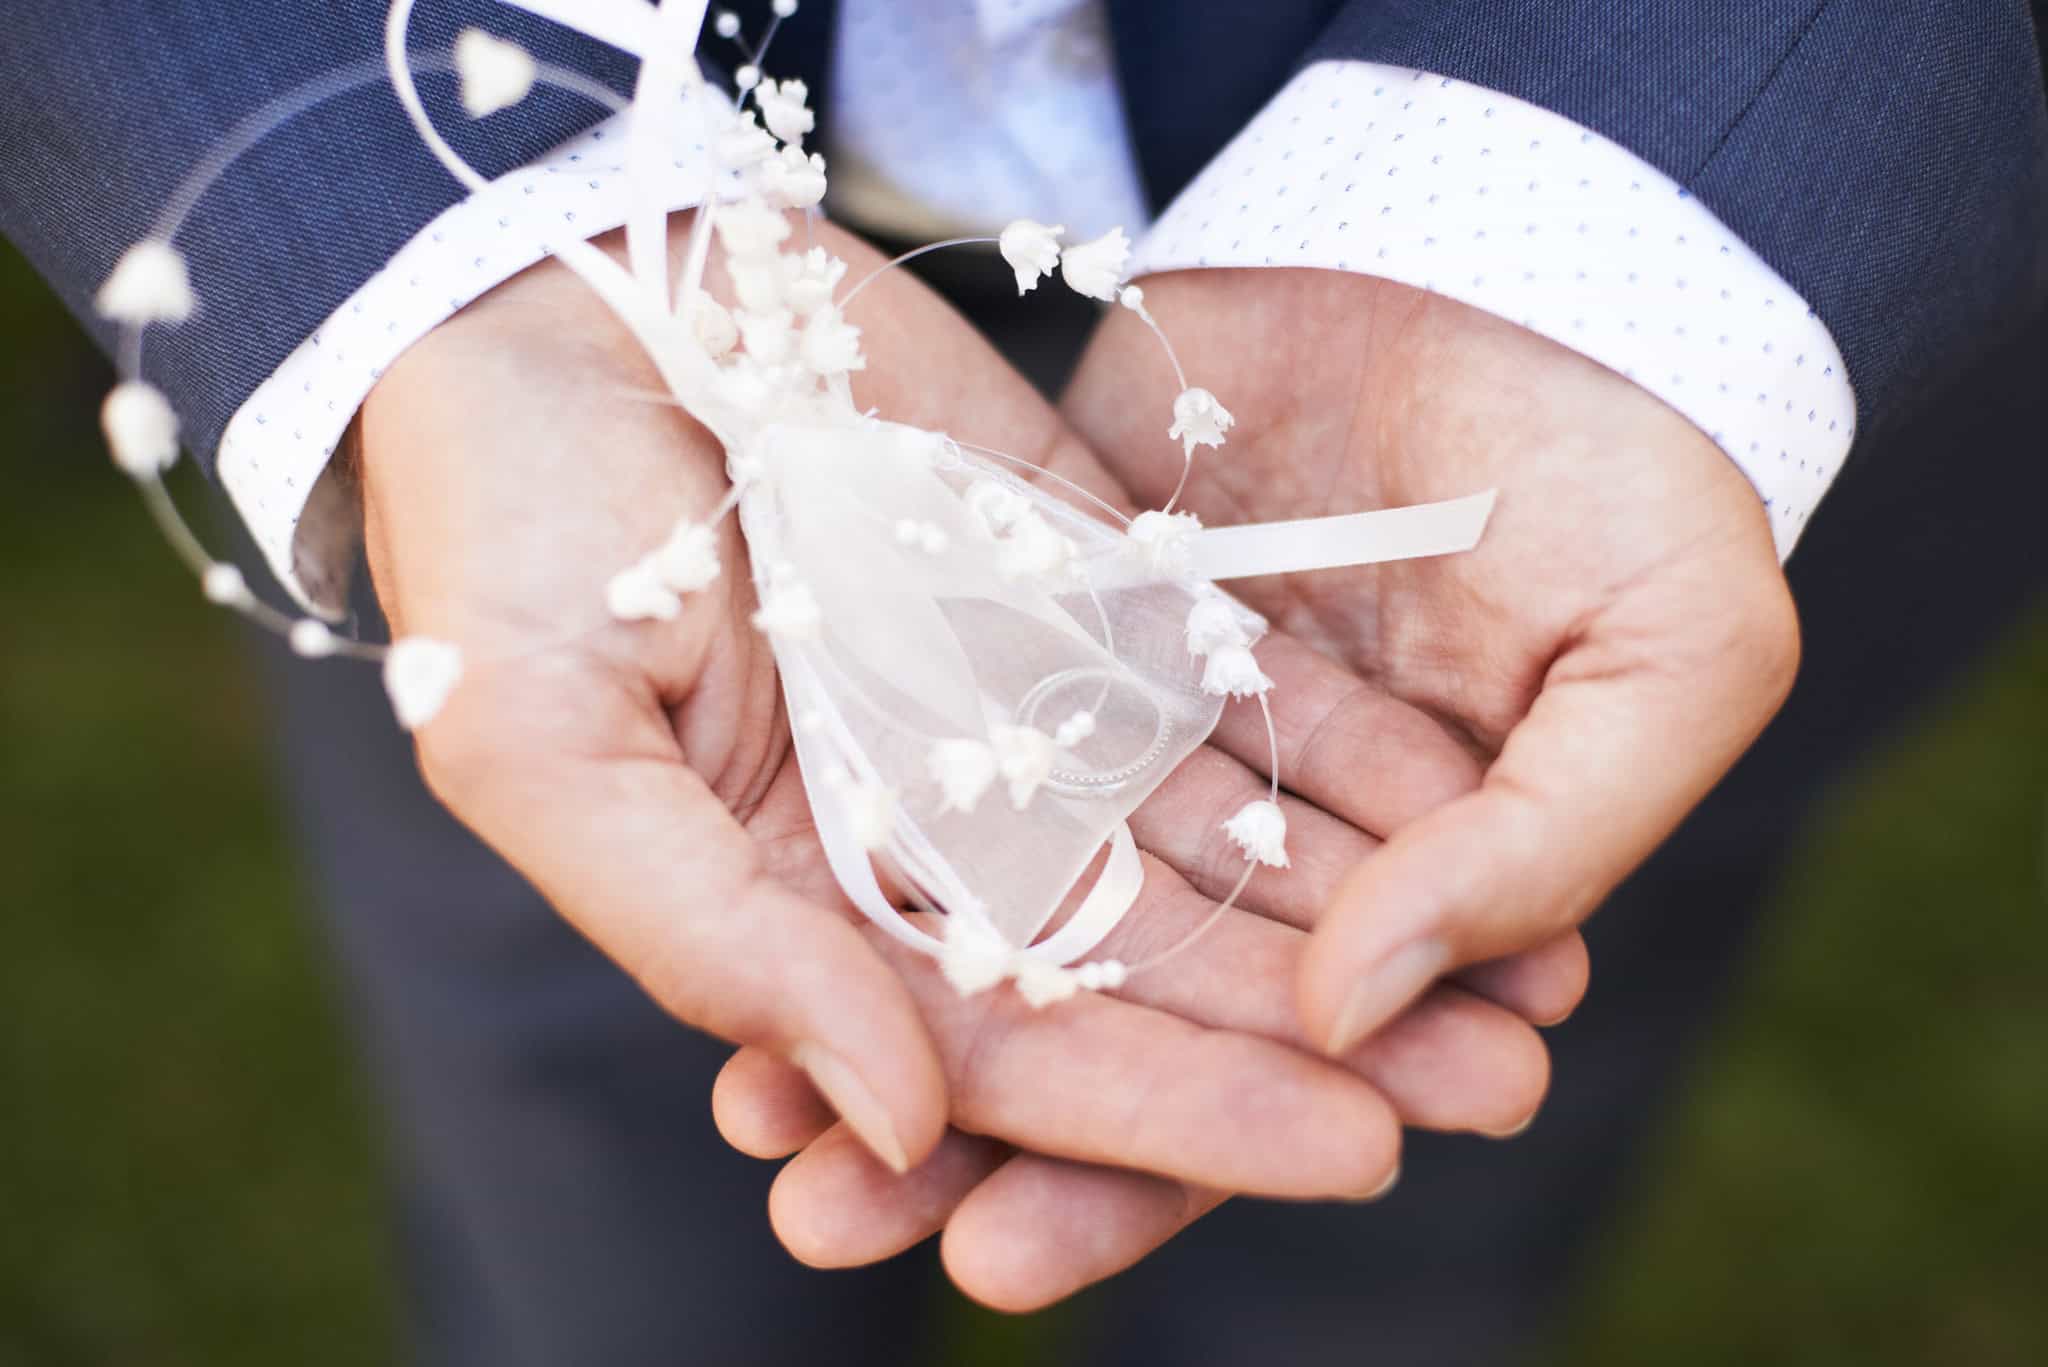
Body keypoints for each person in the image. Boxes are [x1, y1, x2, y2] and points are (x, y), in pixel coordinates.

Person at [5, 2, 2045, 1362]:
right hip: (526, 307)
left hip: (1603, 311)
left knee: (1408, 1129)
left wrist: (1601, 244)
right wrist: (433, 270)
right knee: (582, 1115)